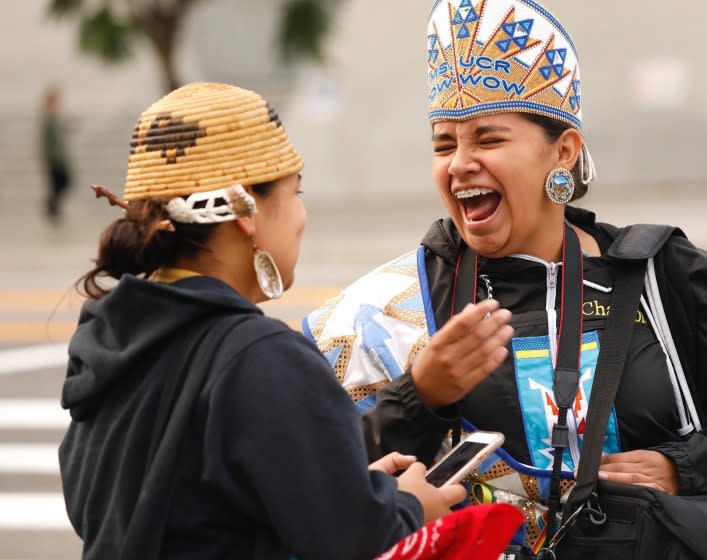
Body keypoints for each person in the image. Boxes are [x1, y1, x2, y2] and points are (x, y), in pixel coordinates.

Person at [304, 0, 707, 557]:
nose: (459, 163)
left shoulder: (674, 278)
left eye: (487, 140)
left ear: (562, 152)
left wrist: (681, 467)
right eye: (444, 144)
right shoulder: (388, 308)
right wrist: (423, 395)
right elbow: (333, 481)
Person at [58, 82, 468, 560]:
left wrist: (353, 490)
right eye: (296, 192)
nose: (301, 216)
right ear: (246, 212)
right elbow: (351, 541)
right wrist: (410, 508)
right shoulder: (260, 356)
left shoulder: (108, 341)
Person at [40, 86, 73, 223]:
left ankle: (53, 209)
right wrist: (46, 158)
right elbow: (44, 141)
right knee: (60, 183)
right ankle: (51, 209)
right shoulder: (47, 118)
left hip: (60, 157)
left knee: (62, 184)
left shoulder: (54, 117)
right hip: (54, 159)